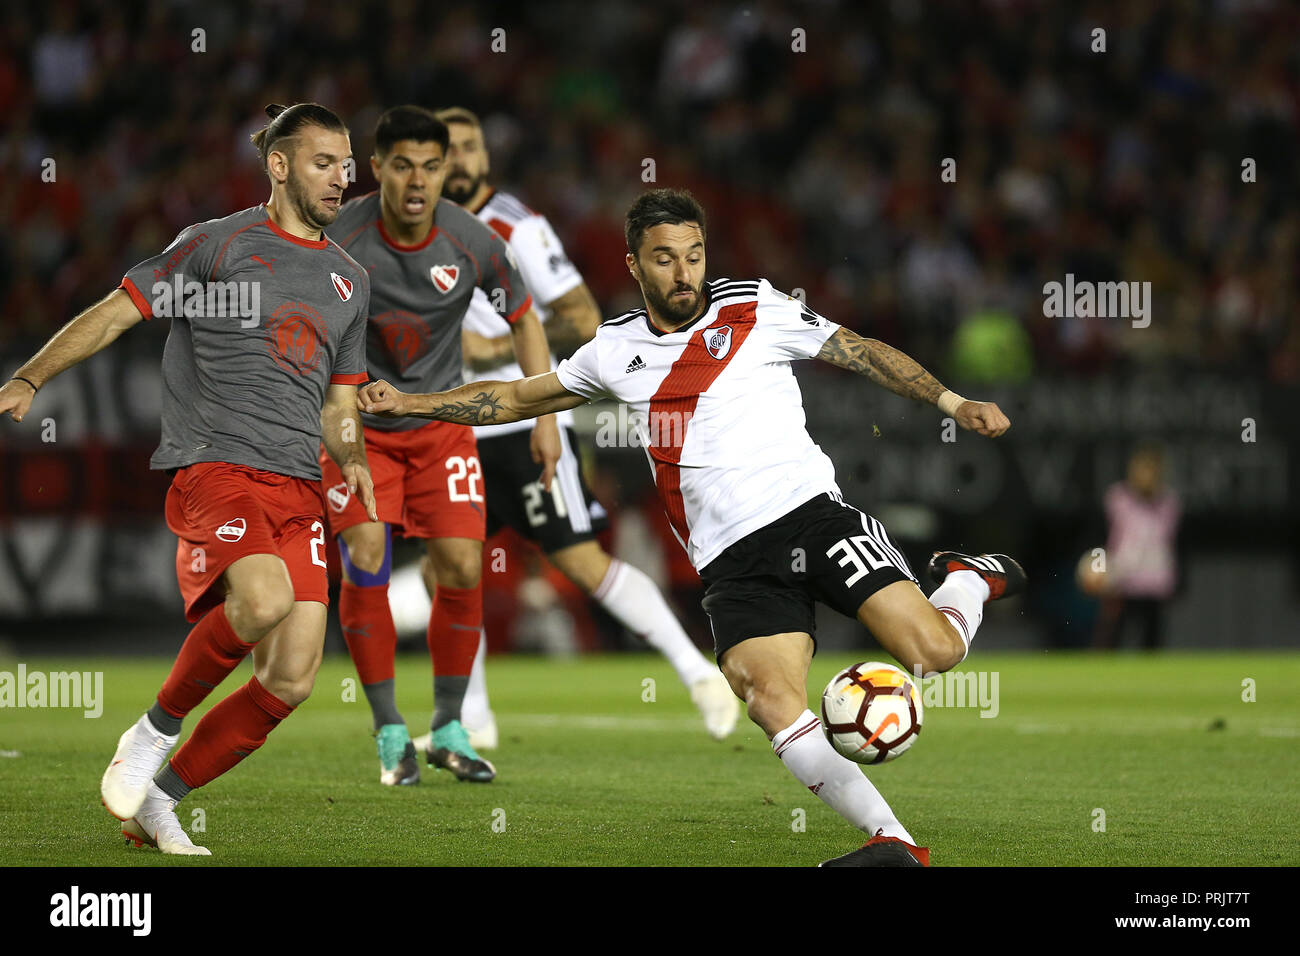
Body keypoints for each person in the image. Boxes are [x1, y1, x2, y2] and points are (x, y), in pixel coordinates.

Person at [356, 188, 1026, 867]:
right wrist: (414, 402)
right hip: (731, 560)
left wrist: (951, 399)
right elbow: (516, 396)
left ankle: (968, 578)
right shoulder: (614, 348)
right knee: (768, 699)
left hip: (810, 516)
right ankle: (897, 845)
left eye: (694, 256)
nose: (684, 274)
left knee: (933, 654)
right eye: (666, 260)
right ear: (634, 266)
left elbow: (858, 351)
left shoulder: (756, 306)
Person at [0, 103, 375, 856]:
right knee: (262, 599)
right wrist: (32, 377)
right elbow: (117, 312)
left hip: (300, 485)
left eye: (346, 164)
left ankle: (159, 802)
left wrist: (355, 455)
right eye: (324, 162)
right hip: (218, 465)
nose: (344, 177)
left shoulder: (349, 280)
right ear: (279, 165)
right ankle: (151, 733)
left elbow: (341, 400)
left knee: (295, 677)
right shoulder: (217, 246)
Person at [424, 106, 737, 748]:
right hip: (453, 431)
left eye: (468, 147)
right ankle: (469, 721)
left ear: (484, 156)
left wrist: (492, 351)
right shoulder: (417, 232)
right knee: (447, 568)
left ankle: (696, 672)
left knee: (580, 561)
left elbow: (580, 316)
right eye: (443, 150)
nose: (458, 160)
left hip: (521, 422)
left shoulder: (517, 225)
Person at [320, 105, 558, 785]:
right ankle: (390, 730)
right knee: (366, 555)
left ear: (447, 168)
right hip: (358, 428)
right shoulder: (341, 238)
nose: (417, 180)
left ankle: (450, 727)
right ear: (378, 169)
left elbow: (524, 319)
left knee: (461, 565)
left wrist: (543, 418)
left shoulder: (473, 240)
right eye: (402, 165)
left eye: (431, 165)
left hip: (439, 428)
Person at [1092, 443, 1181, 649]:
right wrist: (1099, 568)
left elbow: (1176, 543)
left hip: (1155, 580)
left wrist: (1179, 577)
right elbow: (1101, 537)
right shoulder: (1117, 499)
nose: (1146, 475)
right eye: (1142, 469)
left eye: (1151, 470)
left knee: (1152, 638)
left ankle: (1151, 680)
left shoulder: (1169, 503)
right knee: (1112, 635)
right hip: (1122, 579)